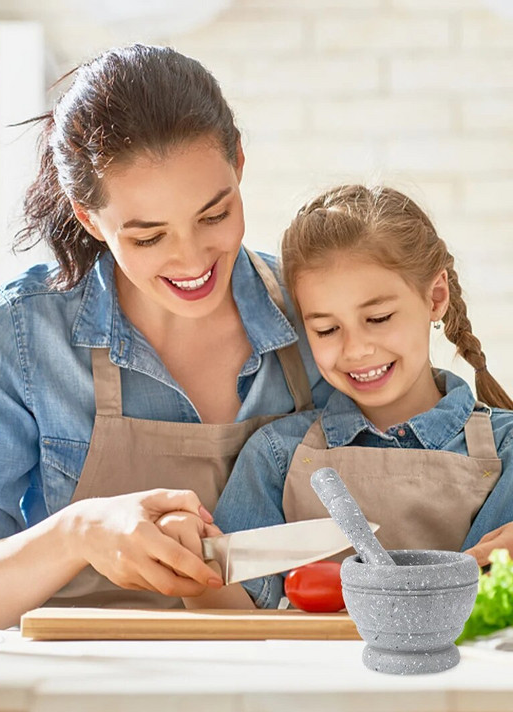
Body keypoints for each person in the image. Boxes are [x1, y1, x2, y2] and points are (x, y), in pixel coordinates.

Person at [0, 44, 333, 629]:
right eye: (149, 237)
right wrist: (77, 533)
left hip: (282, 678)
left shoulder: (319, 311)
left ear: (240, 167)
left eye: (214, 215)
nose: (192, 258)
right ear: (89, 219)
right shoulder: (23, 332)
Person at [160, 184, 513, 609]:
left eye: (378, 318)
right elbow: (239, 620)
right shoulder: (276, 455)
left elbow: (480, 603)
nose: (356, 349)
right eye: (326, 329)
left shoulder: (505, 448)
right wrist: (192, 567)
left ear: (435, 297)